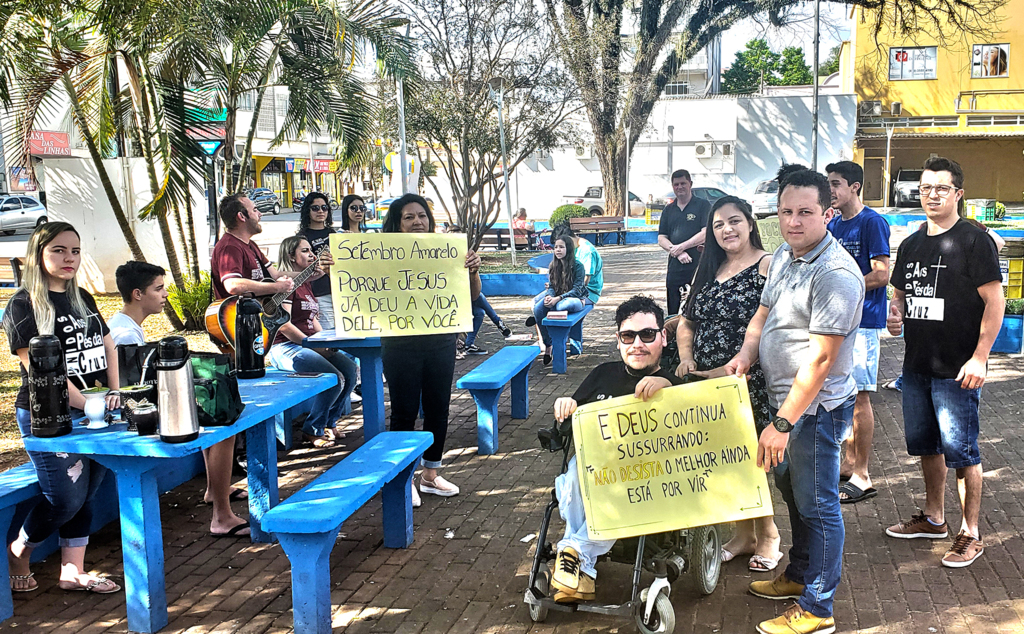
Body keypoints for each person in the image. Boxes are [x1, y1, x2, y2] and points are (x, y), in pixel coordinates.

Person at [725, 169, 864, 634]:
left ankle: (818, 608)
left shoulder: (836, 274)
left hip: (814, 411)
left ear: (828, 213)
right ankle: (800, 574)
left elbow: (822, 360)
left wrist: (782, 425)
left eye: (805, 212)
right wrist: (746, 353)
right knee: (794, 493)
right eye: (786, 212)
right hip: (781, 401)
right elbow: (763, 313)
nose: (793, 222)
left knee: (819, 504)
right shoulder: (786, 254)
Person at [885, 157, 1003, 569]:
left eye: (941, 188)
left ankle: (971, 533)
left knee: (963, 452)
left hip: (959, 368)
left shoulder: (974, 240)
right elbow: (898, 293)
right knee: (926, 446)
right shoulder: (914, 242)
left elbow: (995, 301)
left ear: (958, 194)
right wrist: (895, 312)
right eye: (925, 188)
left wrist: (981, 358)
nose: (932, 195)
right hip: (916, 365)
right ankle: (934, 518)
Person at [2, 222, 121, 594]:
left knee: (88, 491)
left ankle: (73, 571)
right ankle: (19, 551)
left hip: (98, 410)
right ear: (38, 254)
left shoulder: (82, 296)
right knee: (65, 497)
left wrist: (115, 393)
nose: (69, 258)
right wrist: (89, 404)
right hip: (50, 416)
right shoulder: (23, 305)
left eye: (75, 251)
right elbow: (40, 369)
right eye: (58, 250)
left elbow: (107, 344)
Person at [549, 295, 682, 602]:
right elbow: (566, 429)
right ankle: (582, 571)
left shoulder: (674, 381)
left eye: (647, 335)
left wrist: (670, 390)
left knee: (612, 486)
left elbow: (692, 431)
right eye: (628, 336)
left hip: (645, 479)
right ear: (619, 341)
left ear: (663, 337)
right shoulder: (602, 374)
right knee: (573, 478)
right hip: (593, 467)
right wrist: (566, 406)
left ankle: (574, 553)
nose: (638, 344)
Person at [675, 196, 781, 572]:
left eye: (734, 221)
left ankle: (769, 535)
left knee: (751, 461)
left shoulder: (768, 265)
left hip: (745, 381)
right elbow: (687, 322)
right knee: (724, 460)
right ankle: (743, 534)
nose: (727, 230)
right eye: (718, 225)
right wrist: (687, 357)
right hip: (705, 383)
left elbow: (775, 322)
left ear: (750, 223)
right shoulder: (710, 269)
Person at [380, 194, 481, 507]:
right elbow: (355, 280)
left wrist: (473, 269)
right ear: (397, 224)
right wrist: (336, 262)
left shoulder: (447, 251)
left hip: (440, 340)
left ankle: (431, 474)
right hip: (399, 344)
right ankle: (403, 477)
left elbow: (473, 295)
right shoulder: (379, 255)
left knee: (438, 407)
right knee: (404, 410)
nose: (416, 222)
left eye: (421, 215)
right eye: (408, 217)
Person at [209, 193, 295, 538]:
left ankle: (216, 491)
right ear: (242, 216)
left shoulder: (252, 247)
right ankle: (221, 515)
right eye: (256, 209)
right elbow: (233, 284)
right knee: (228, 425)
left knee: (230, 425)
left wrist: (298, 277)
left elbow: (277, 280)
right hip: (235, 336)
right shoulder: (230, 245)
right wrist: (276, 285)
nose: (261, 214)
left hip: (251, 334)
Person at [825, 161, 891, 505]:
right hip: (837, 323)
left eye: (836, 184)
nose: (830, 190)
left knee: (861, 397)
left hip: (863, 323)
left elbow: (881, 274)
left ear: (855, 187)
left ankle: (862, 474)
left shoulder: (872, 222)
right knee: (844, 396)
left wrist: (843, 286)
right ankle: (848, 463)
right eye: (828, 184)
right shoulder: (834, 224)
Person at [267, 236, 357, 447]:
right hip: (285, 348)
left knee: (350, 370)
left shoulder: (306, 285)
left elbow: (312, 319)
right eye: (305, 251)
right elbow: (284, 325)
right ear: (291, 256)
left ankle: (329, 423)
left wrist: (327, 341)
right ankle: (312, 429)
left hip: (308, 344)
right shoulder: (287, 285)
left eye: (311, 250)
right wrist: (311, 344)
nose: (312, 255)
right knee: (332, 377)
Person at [528, 236, 588, 366]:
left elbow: (577, 289)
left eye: (561, 247)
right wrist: (550, 296)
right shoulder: (553, 265)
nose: (558, 250)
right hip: (557, 297)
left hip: (575, 299)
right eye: (556, 247)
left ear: (569, 248)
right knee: (538, 308)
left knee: (562, 306)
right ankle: (548, 345)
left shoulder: (578, 266)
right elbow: (551, 286)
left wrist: (557, 298)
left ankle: (554, 333)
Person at [658, 169, 710, 316]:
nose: (679, 187)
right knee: (673, 310)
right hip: (675, 267)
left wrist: (682, 247)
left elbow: (705, 233)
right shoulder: (668, 210)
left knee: (696, 307)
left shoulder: (702, 206)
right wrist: (677, 252)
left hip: (698, 265)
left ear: (690, 184)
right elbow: (661, 238)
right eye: (676, 184)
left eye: (683, 183)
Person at [553, 226, 603, 355]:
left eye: (564, 244)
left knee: (562, 305)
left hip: (588, 292)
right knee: (539, 301)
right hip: (571, 289)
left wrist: (563, 295)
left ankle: (558, 343)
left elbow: (585, 281)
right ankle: (548, 343)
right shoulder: (576, 248)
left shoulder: (587, 251)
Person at [296, 192, 337, 329]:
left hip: (339, 291)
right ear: (308, 210)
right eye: (315, 208)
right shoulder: (302, 237)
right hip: (319, 293)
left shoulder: (334, 233)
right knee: (329, 336)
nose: (320, 211)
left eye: (324, 207)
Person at [110, 261, 169, 346]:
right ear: (137, 294)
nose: (166, 294)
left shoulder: (122, 323)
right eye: (158, 289)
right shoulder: (128, 337)